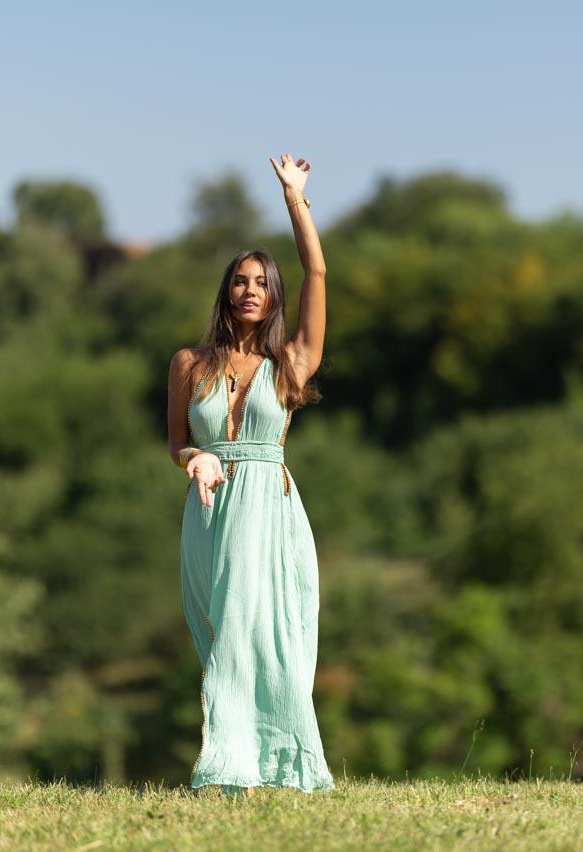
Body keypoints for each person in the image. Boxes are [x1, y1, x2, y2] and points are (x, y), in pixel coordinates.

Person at [166, 152, 334, 796]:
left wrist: (295, 199)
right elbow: (177, 443)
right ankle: (232, 760)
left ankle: (278, 765)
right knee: (224, 636)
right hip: (212, 510)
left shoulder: (291, 362)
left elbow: (317, 270)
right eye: (240, 280)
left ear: (274, 295)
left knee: (274, 635)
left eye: (262, 282)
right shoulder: (189, 364)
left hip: (270, 511)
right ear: (226, 292)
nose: (250, 290)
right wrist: (196, 457)